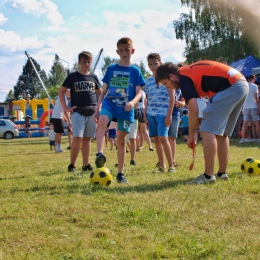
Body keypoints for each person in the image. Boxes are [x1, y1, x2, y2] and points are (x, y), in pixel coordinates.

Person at [155, 61, 248, 184]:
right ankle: (222, 173)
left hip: (230, 87)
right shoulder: (188, 72)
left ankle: (208, 176)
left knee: (207, 129)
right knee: (222, 133)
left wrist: (192, 135)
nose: (168, 88)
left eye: (166, 84)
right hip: (241, 83)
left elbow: (193, 109)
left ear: (171, 76)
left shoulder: (184, 79)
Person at [94, 37, 145, 184]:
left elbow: (139, 92)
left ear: (132, 51)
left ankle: (120, 174)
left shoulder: (135, 71)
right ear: (117, 52)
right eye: (121, 50)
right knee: (103, 121)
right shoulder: (111, 69)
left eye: (127, 50)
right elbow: (103, 91)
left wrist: (132, 102)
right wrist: (98, 106)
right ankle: (99, 153)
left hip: (126, 108)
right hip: (110, 103)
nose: (124, 53)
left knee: (121, 141)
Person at [58, 51, 102, 172]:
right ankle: (72, 165)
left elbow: (100, 93)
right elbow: (61, 91)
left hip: (92, 111)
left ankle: (85, 165)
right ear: (79, 62)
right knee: (77, 137)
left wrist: (99, 108)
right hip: (77, 111)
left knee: (87, 138)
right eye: (84, 62)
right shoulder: (73, 76)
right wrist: (65, 108)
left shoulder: (93, 77)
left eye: (89, 62)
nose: (87, 64)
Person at [144, 53, 175, 173]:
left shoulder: (167, 79)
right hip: (151, 113)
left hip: (163, 114)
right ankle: (162, 166)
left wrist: (169, 114)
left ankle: (171, 165)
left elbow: (172, 98)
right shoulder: (148, 81)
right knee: (156, 139)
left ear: (160, 63)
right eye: (150, 64)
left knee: (163, 138)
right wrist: (145, 113)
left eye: (155, 63)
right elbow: (147, 98)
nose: (153, 66)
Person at [239, 74, 260, 143]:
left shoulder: (244, 86)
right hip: (253, 106)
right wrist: (258, 106)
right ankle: (259, 138)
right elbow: (256, 98)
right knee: (256, 122)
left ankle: (243, 138)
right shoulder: (255, 86)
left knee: (245, 123)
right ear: (253, 79)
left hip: (245, 106)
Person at [168, 88, 185, 167]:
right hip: (163, 113)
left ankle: (172, 160)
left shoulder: (180, 89)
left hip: (175, 114)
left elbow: (184, 101)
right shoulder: (165, 84)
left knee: (172, 137)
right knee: (162, 137)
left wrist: (181, 103)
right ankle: (161, 161)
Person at [52, 89, 71, 153]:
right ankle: (59, 148)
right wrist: (68, 119)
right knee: (59, 132)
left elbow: (61, 109)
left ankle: (57, 147)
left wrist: (64, 117)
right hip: (58, 117)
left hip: (56, 116)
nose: (70, 93)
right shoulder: (64, 99)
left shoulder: (61, 97)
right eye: (69, 91)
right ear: (66, 92)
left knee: (58, 132)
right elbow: (65, 110)